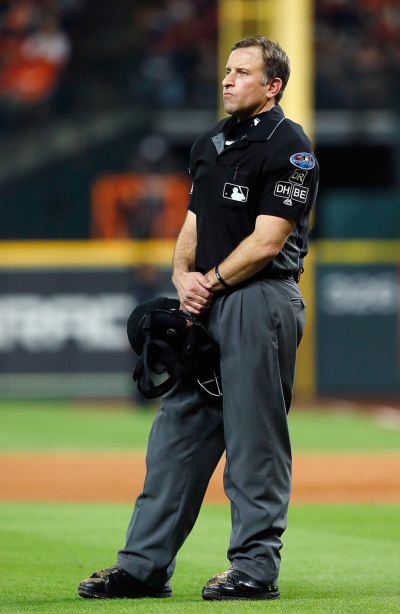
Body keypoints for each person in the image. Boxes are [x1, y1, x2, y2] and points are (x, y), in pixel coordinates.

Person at [78, 35, 319, 602]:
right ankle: (143, 567)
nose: (228, 79)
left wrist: (207, 282)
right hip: (205, 302)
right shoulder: (211, 141)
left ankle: (255, 569)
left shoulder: (291, 147)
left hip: (259, 299)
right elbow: (193, 219)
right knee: (176, 435)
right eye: (227, 70)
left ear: (272, 85)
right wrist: (182, 275)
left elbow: (267, 241)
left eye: (242, 72)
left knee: (254, 439)